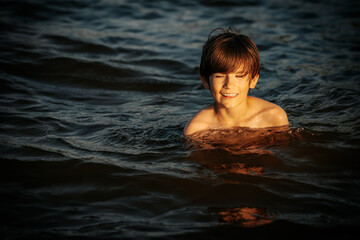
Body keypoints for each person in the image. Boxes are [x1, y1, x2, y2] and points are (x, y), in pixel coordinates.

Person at [184, 28, 288, 136]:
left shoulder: (274, 118)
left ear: (253, 80)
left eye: (239, 76)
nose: (229, 84)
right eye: (219, 76)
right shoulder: (196, 130)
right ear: (205, 80)